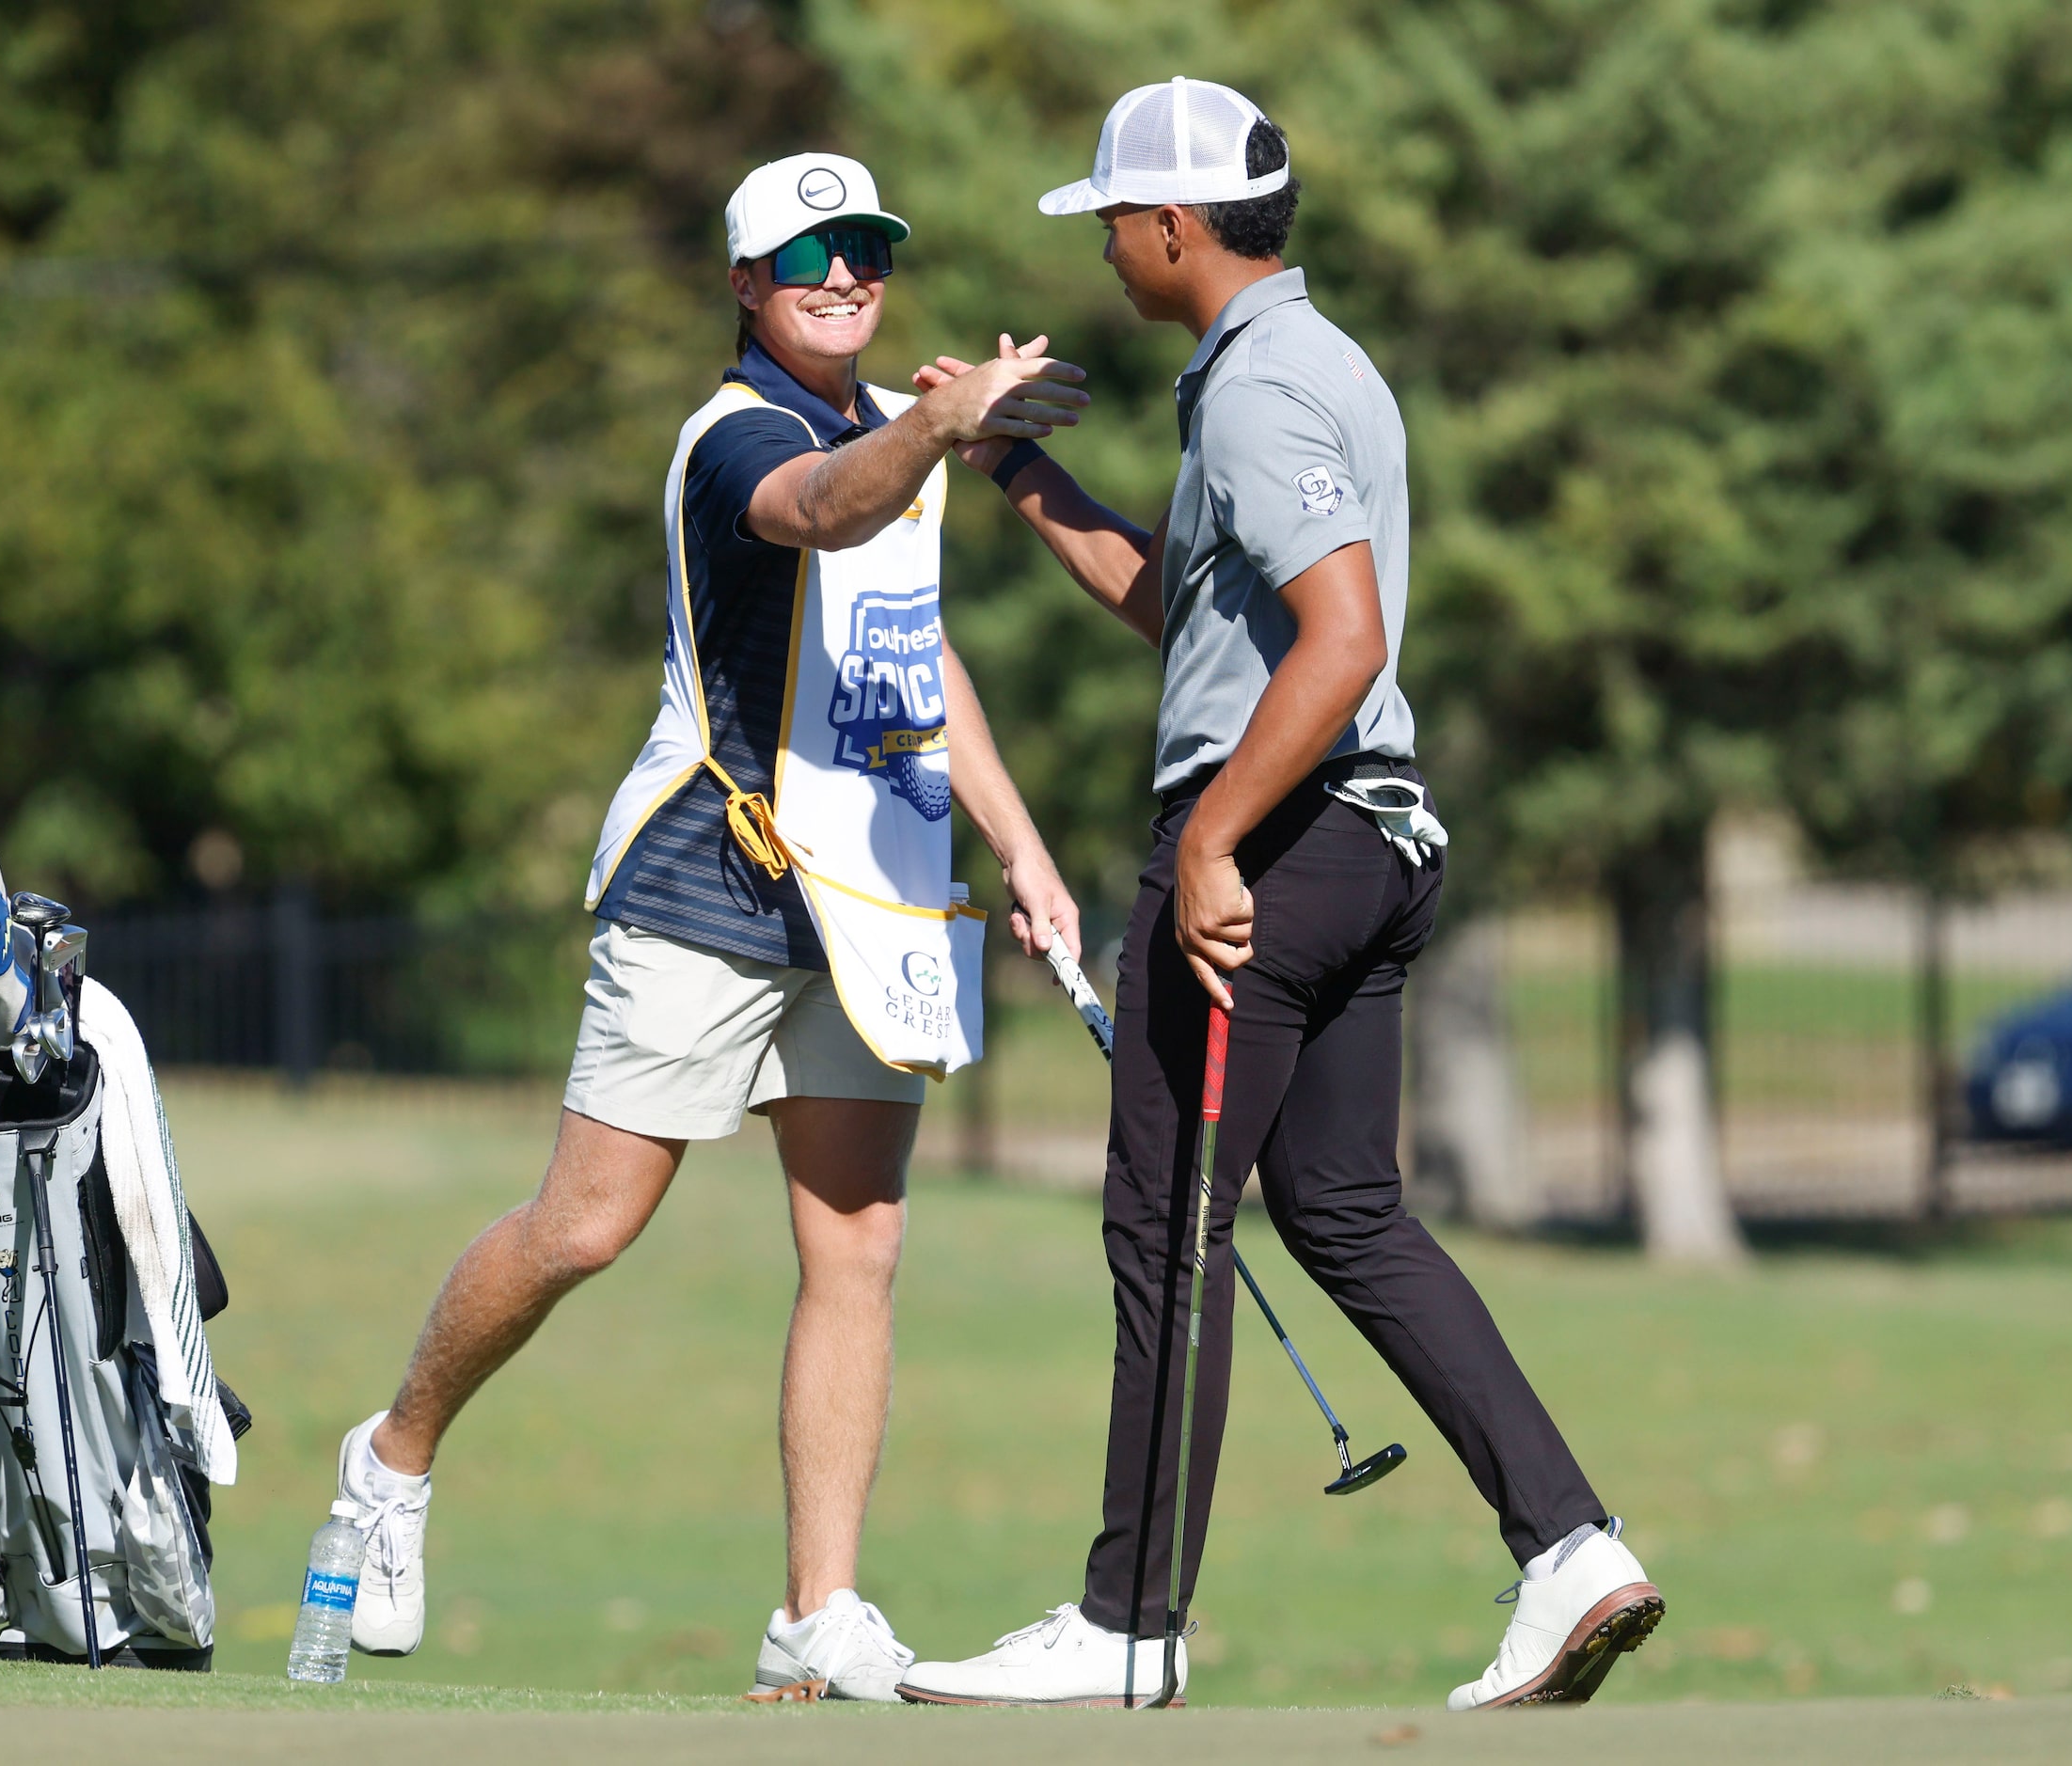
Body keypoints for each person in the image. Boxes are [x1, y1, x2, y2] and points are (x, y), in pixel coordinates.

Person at [894, 81, 1663, 1711]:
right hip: (1363, 848)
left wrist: (1210, 842)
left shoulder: (1257, 394)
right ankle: (1572, 1546)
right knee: (1338, 1208)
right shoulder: (1292, 370)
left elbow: (1345, 639)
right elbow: (1178, 611)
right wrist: (1014, 463)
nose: (1102, 245)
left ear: (1174, 229)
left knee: (1163, 1219)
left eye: (1109, 218)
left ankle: (1127, 1626)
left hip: (1290, 846)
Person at [322, 150, 1091, 1703]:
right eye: (808, 253)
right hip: (706, 880)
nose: (844, 274)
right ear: (747, 283)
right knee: (585, 1227)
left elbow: (910, 651)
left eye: (867, 247)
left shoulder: (898, 429)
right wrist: (938, 428)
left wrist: (1020, 844)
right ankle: (393, 1455)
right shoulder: (734, 433)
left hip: (867, 894)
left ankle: (819, 1607)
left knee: (858, 1247)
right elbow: (817, 512)